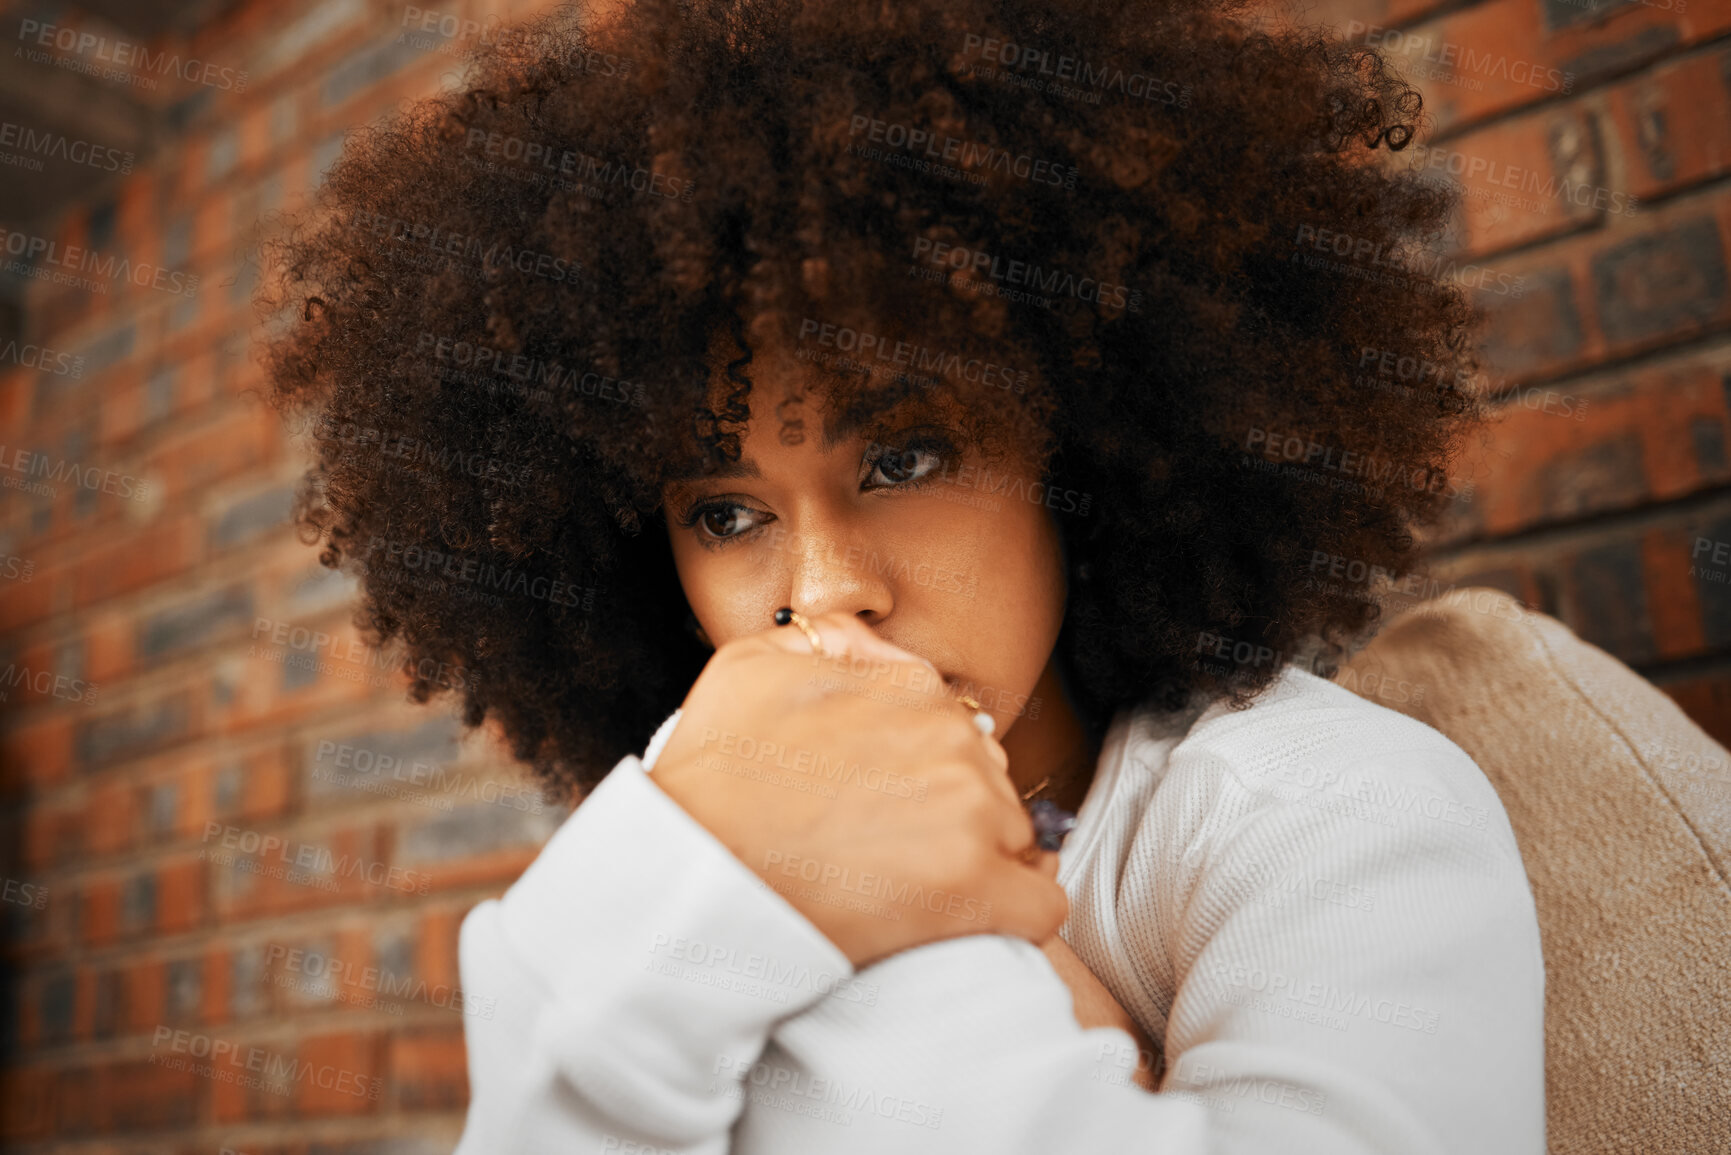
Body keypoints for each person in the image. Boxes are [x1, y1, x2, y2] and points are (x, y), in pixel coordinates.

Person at [260, 0, 1546, 1150]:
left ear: (1085, 445)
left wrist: (867, 909)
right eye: (725, 511)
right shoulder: (675, 837)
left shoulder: (1326, 814)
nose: (823, 593)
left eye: (907, 455)